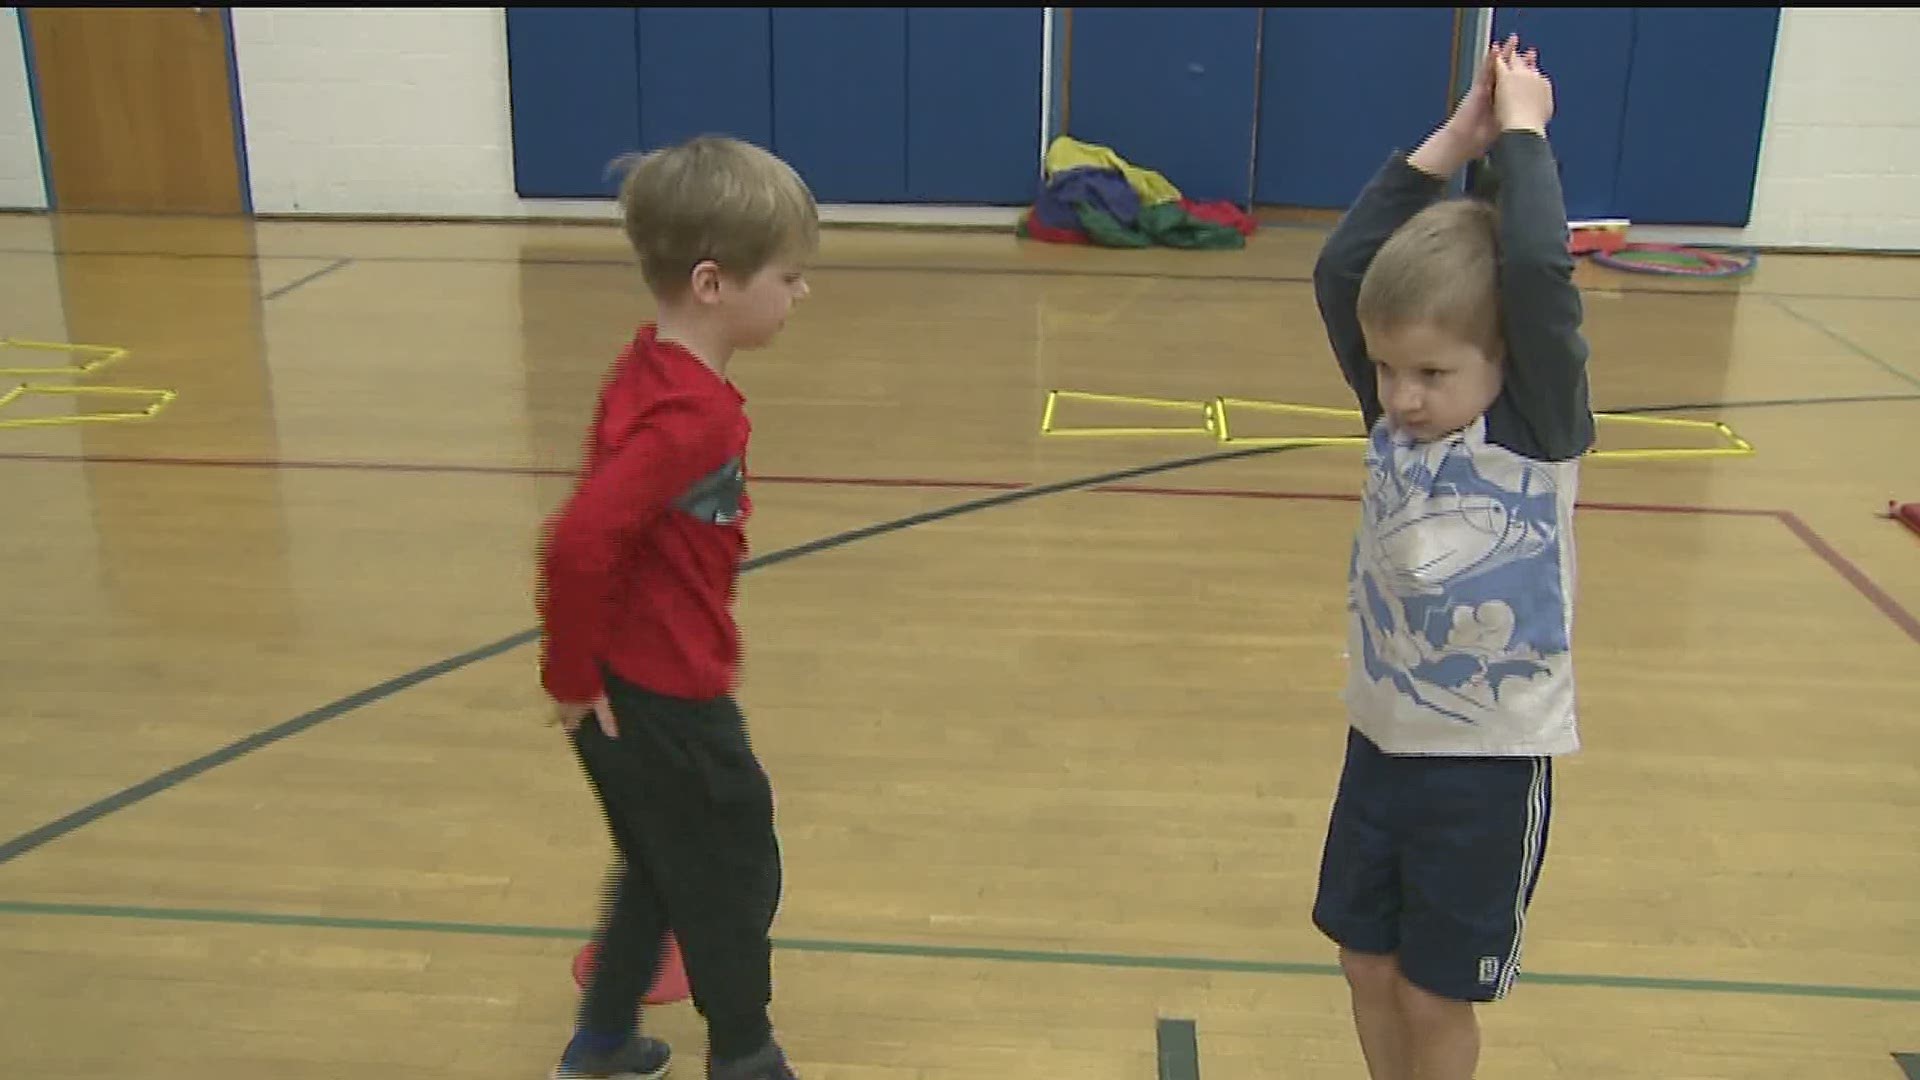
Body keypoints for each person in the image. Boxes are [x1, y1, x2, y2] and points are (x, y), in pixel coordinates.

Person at [1306, 36, 1593, 1080]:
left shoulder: (1532, 427)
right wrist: (1453, 139)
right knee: (1367, 966)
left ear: (1503, 360)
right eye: (1386, 369)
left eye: (1431, 371)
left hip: (1485, 770)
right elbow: (1346, 271)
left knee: (1435, 991)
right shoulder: (1396, 416)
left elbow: (1535, 271)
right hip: (1379, 746)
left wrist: (1519, 135)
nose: (1401, 396)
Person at [536, 134, 817, 1080]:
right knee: (732, 870)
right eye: (786, 276)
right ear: (712, 283)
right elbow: (580, 539)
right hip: (659, 697)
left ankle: (601, 1042)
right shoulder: (694, 416)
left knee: (659, 867)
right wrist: (571, 677)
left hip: (632, 686)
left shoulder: (651, 367)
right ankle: (745, 1051)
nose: (799, 293)